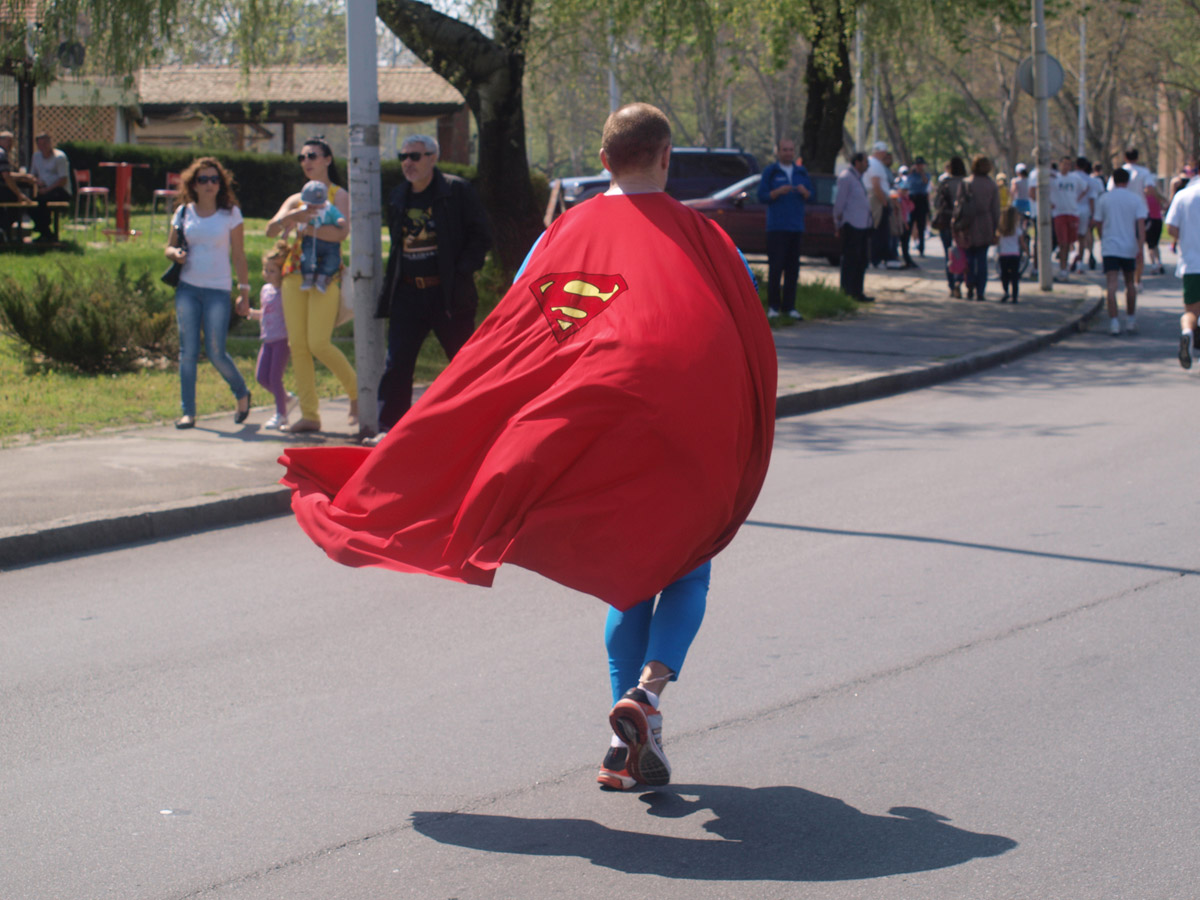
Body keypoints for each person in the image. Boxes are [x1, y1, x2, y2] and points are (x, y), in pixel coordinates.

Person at [278, 102, 776, 791]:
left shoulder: (563, 235)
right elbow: (746, 321)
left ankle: (623, 741)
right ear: (666, 158)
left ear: (603, 161)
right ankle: (649, 695)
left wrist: (465, 421)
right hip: (689, 418)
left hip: (599, 417)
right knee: (687, 566)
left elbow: (520, 329)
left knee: (628, 571)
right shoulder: (707, 237)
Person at [371, 134, 492, 440]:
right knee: (397, 364)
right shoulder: (398, 195)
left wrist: (462, 270)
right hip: (408, 293)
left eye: (415, 156)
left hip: (448, 295)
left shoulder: (456, 190)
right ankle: (390, 431)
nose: (408, 163)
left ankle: (480, 427)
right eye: (403, 157)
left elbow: (481, 235)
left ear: (433, 158)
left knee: (465, 362)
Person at [266, 136, 358, 434]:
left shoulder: (338, 195)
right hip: (294, 275)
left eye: (313, 156)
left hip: (326, 275)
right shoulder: (297, 199)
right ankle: (309, 415)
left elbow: (340, 234)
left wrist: (305, 227)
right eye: (302, 157)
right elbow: (270, 230)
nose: (306, 162)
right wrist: (292, 216)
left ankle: (357, 393)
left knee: (318, 342)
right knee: (298, 346)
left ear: (328, 160)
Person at [163, 157, 252, 429]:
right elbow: (168, 247)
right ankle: (188, 412)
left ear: (221, 184)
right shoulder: (183, 212)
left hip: (218, 290)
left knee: (215, 351)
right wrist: (175, 254)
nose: (209, 184)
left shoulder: (230, 214)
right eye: (203, 179)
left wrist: (244, 291)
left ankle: (241, 392)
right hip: (188, 288)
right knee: (188, 351)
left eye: (214, 179)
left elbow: (239, 255)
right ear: (193, 184)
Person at [757, 137, 812, 319]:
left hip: (796, 227)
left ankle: (790, 307)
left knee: (792, 269)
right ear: (778, 152)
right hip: (776, 228)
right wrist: (777, 192)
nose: (788, 153)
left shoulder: (801, 171)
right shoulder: (771, 171)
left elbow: (812, 196)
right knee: (776, 268)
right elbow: (761, 196)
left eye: (791, 150)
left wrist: (805, 192)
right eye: (785, 150)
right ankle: (773, 307)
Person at [248, 240, 296, 429]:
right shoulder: (265, 290)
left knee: (275, 378)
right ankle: (287, 399)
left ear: (281, 271)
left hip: (282, 339)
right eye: (265, 270)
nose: (267, 274)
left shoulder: (286, 291)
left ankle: (281, 415)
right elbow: (266, 313)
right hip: (267, 339)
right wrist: (253, 314)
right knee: (261, 377)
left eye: (272, 271)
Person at [1094, 167, 1146, 336]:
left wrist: (1102, 237)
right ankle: (1130, 320)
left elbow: (1098, 222)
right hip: (1129, 246)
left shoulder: (1104, 198)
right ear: (1127, 181)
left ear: (1113, 180)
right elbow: (1140, 226)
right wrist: (1140, 246)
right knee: (1130, 283)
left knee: (1111, 284)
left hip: (1110, 246)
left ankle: (1114, 322)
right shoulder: (1135, 199)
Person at [1164, 174, 1200, 368]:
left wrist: (1185, 238)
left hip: (1191, 264)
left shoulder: (1183, 195)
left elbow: (1171, 228)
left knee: (1191, 312)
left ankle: (1187, 332)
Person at [953, 155, 1000, 301]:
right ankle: (980, 290)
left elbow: (958, 205)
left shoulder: (966, 183)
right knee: (981, 259)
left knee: (969, 257)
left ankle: (969, 285)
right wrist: (995, 228)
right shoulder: (991, 185)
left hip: (968, 224)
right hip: (986, 224)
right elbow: (996, 210)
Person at [832, 151, 873, 303]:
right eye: (865, 161)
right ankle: (847, 292)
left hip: (863, 225)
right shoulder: (846, 178)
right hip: (851, 225)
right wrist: (837, 223)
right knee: (850, 260)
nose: (867, 164)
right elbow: (839, 203)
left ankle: (857, 292)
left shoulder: (859, 178)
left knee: (861, 260)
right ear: (857, 162)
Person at [296, 180, 346, 292]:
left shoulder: (329, 209)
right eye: (310, 204)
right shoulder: (304, 210)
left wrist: (339, 220)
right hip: (311, 240)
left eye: (316, 204)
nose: (313, 207)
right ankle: (308, 278)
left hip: (330, 244)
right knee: (307, 257)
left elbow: (337, 216)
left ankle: (322, 279)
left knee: (332, 259)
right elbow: (296, 220)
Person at [932, 156, 966, 298]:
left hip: (946, 221)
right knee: (962, 252)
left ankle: (951, 285)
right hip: (962, 222)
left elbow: (936, 203)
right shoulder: (966, 183)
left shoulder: (945, 183)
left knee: (949, 254)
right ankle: (959, 280)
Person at [29, 132, 71, 243]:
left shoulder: (59, 157)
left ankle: (44, 232)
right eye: (40, 144)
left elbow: (63, 180)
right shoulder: (36, 157)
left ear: (50, 143)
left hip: (60, 191)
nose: (43, 146)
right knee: (31, 205)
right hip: (44, 190)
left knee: (42, 202)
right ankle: (46, 233)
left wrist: (47, 190)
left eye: (45, 143)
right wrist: (37, 181)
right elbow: (32, 175)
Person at [866, 142, 901, 268]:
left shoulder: (874, 163)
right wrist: (884, 202)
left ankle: (880, 258)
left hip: (878, 198)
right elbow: (876, 185)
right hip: (878, 200)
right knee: (878, 231)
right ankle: (875, 259)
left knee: (881, 231)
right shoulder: (875, 164)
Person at [0, 129, 36, 236]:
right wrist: (19, 194)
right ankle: (5, 230)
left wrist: (23, 176)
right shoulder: (2, 153)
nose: (10, 145)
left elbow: (4, 174)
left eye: (12, 142)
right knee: (16, 202)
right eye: (8, 141)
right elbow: (6, 177)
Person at [996, 205, 1027, 303]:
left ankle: (1006, 291)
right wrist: (1027, 251)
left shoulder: (1001, 229)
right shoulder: (1017, 229)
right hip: (1014, 254)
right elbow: (1022, 243)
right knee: (1014, 276)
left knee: (1004, 275)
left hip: (1004, 254)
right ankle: (1014, 295)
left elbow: (997, 241)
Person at [907, 156, 931, 256]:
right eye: (917, 165)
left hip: (921, 199)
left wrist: (921, 173)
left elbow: (926, 182)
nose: (919, 166)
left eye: (921, 165)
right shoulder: (911, 175)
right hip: (912, 199)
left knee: (921, 225)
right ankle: (906, 247)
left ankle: (921, 248)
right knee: (910, 224)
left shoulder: (926, 174)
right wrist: (910, 171)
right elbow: (906, 183)